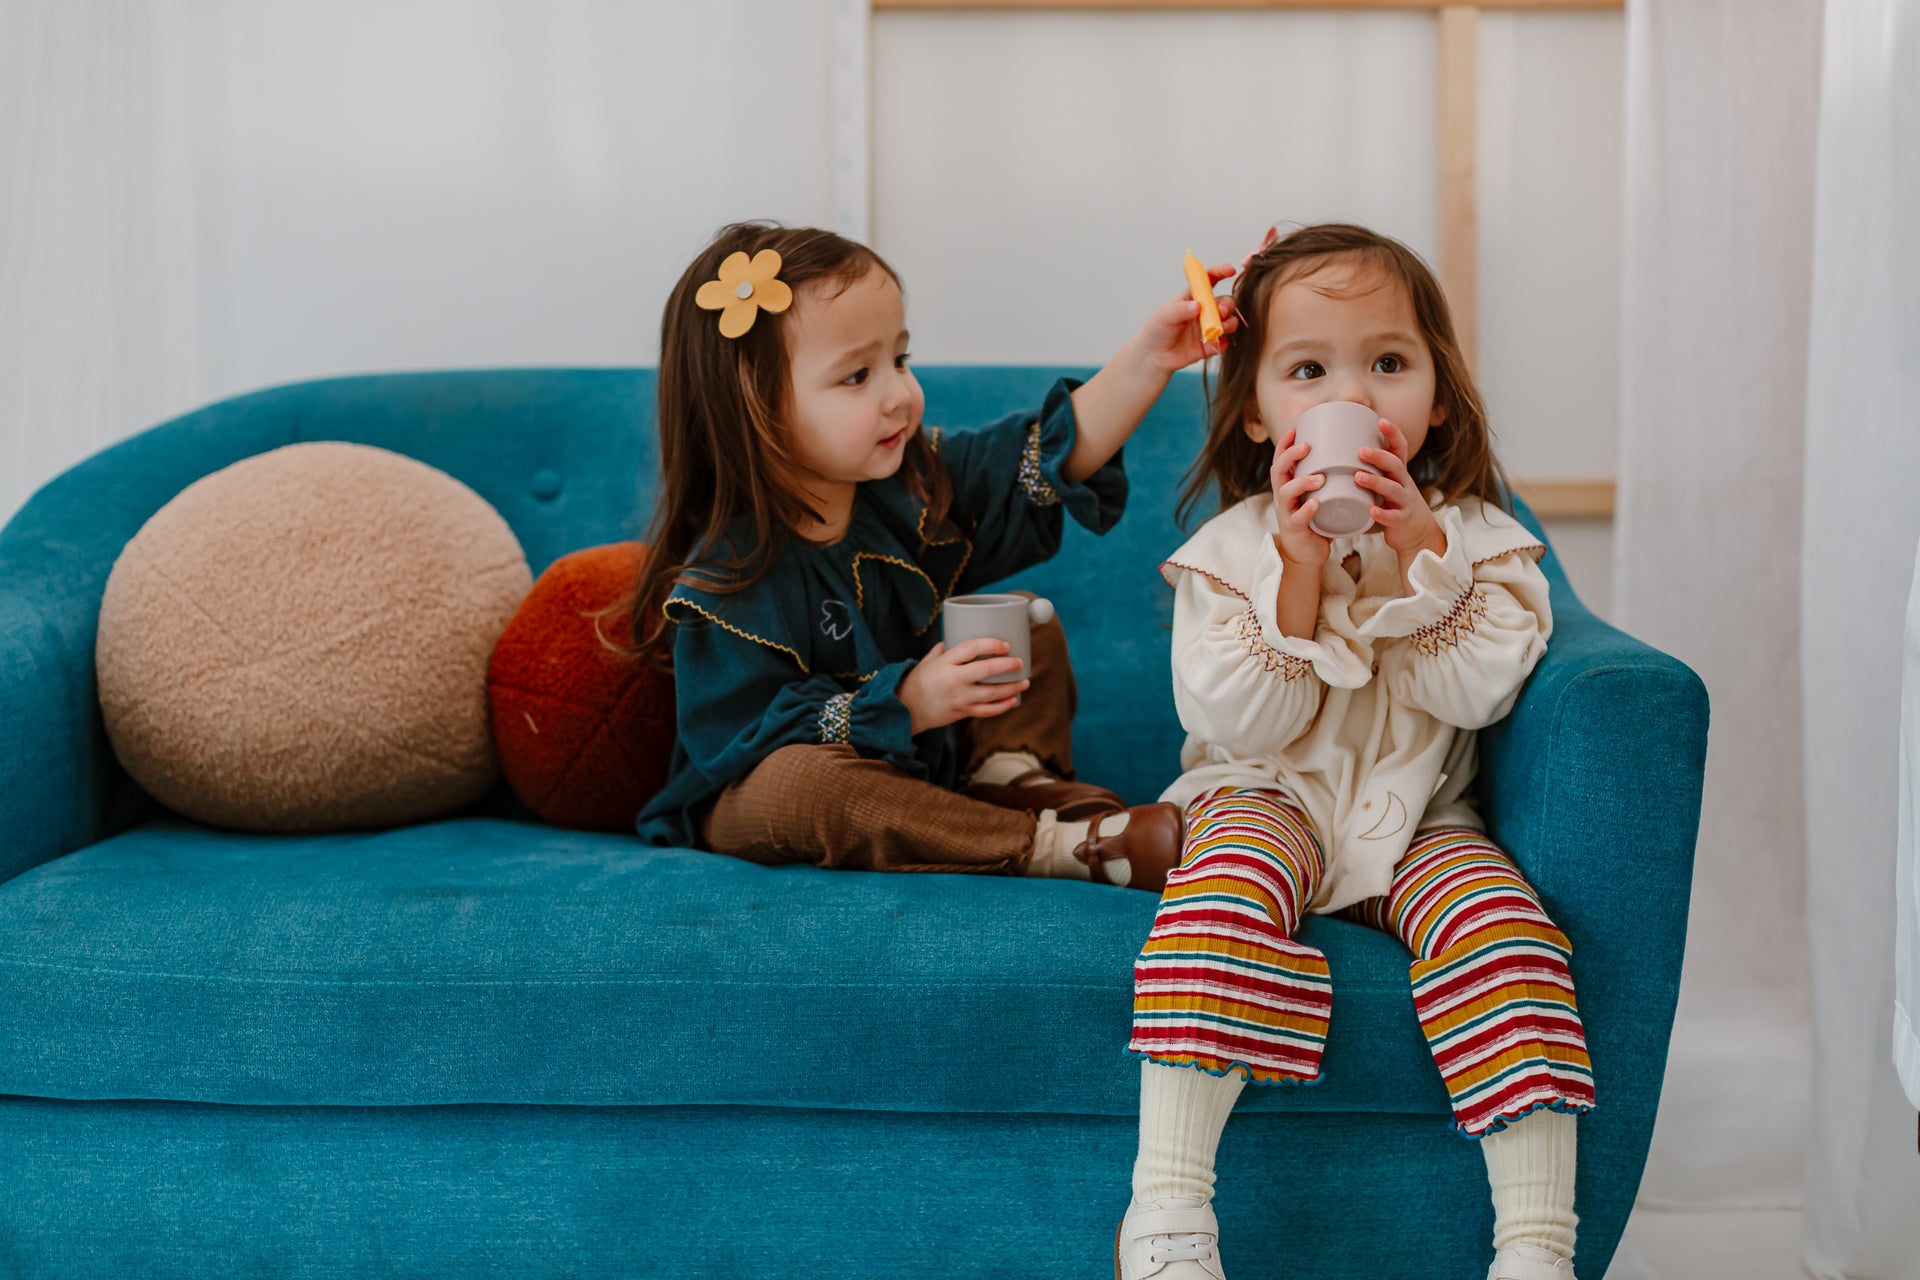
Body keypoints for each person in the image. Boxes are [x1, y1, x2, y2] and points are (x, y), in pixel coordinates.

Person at [1116, 224, 1593, 1280]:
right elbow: (1245, 723)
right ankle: (1168, 1208)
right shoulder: (1231, 551)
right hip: (1264, 791)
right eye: (1309, 369)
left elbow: (1474, 686)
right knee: (1220, 889)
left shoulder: (1478, 537)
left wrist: (1423, 550)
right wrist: (1295, 565)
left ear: (1437, 391)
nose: (1357, 394)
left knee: (1508, 928)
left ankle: (1537, 1245)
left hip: (1419, 813)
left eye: (1388, 363)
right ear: (1255, 410)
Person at [630, 221, 1234, 890]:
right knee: (804, 785)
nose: (900, 395)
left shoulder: (911, 485)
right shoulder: (726, 576)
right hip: (772, 793)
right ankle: (1053, 846)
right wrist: (907, 703)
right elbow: (742, 739)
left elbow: (1040, 459)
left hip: (920, 759)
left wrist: (1148, 358)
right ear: (755, 408)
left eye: (901, 360)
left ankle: (1007, 775)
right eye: (858, 375)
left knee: (1027, 621)